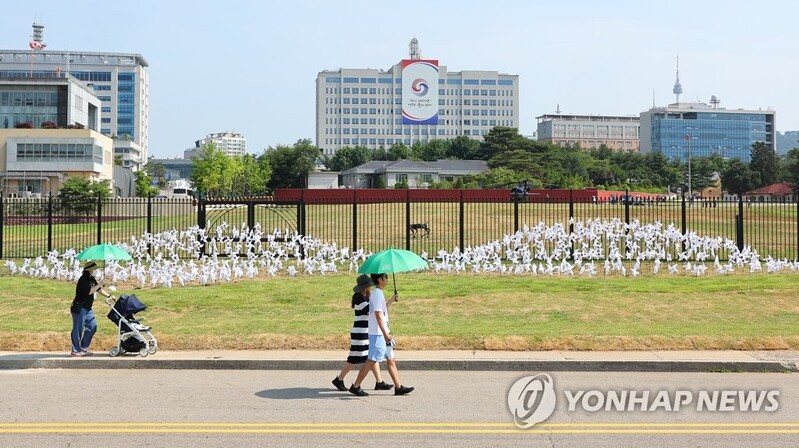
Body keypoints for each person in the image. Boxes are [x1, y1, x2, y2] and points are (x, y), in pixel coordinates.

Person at [349, 273, 414, 397]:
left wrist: (392, 300)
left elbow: (382, 311)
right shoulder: (377, 294)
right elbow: (378, 316)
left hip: (382, 332)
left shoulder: (378, 293)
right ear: (380, 279)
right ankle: (356, 386)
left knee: (391, 359)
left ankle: (398, 387)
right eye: (386, 277)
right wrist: (385, 334)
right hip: (378, 334)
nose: (387, 279)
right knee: (372, 360)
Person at [332, 274, 392, 391]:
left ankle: (379, 381)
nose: (371, 288)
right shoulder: (359, 299)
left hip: (365, 331)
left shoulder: (366, 298)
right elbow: (372, 310)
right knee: (354, 359)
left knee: (371, 356)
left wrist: (391, 300)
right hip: (360, 333)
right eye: (369, 286)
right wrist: (377, 299)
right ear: (365, 287)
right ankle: (339, 380)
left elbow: (379, 309)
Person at [70, 261, 113, 357]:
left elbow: (99, 289)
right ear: (89, 270)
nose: (96, 271)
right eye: (94, 269)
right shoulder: (83, 280)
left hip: (88, 308)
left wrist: (109, 296)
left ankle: (84, 347)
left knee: (92, 326)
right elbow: (89, 291)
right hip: (80, 307)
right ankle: (75, 350)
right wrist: (100, 283)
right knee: (78, 329)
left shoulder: (91, 279)